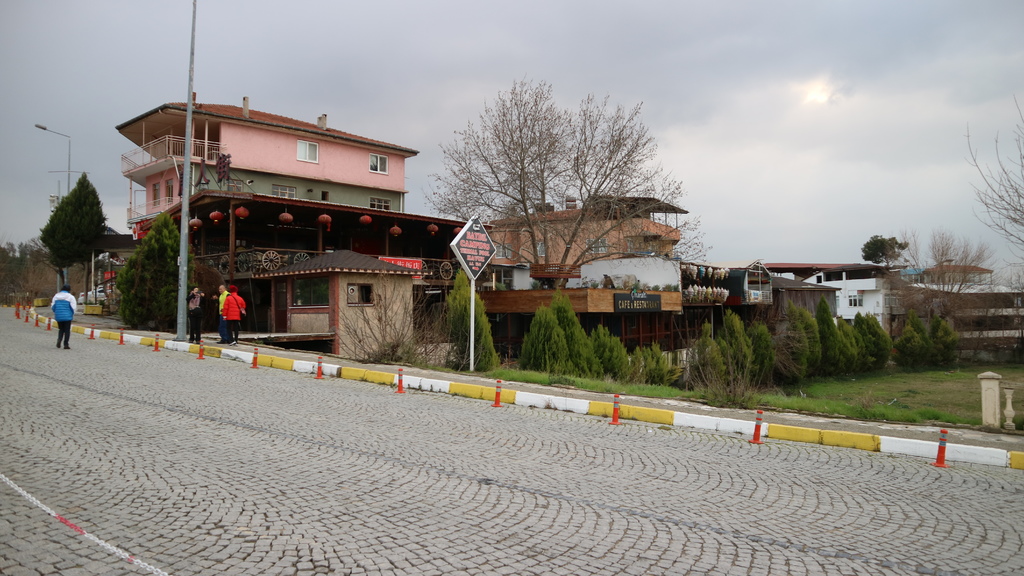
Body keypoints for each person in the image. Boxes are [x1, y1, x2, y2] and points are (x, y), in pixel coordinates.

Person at [51, 284, 77, 350]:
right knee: (67, 330)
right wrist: (72, 313)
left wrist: (56, 312)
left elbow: (53, 306)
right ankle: (66, 344)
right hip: (67, 316)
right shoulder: (70, 297)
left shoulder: (56, 296)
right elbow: (73, 307)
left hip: (58, 316)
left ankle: (59, 339)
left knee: (61, 329)